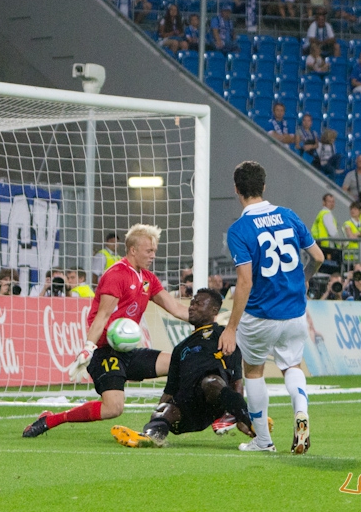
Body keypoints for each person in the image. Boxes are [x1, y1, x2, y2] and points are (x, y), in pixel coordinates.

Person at [22, 224, 189, 438]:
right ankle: (51, 419)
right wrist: (88, 349)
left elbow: (175, 308)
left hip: (127, 352)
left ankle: (158, 422)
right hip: (105, 352)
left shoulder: (147, 278)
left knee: (180, 362)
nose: (153, 255)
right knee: (113, 408)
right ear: (133, 250)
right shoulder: (116, 275)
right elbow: (101, 317)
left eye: (154, 251)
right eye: (149, 251)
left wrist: (211, 322)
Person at [220, 161, 325, 453]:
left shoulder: (240, 229)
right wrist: (304, 278)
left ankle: (263, 441)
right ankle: (301, 412)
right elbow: (317, 256)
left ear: (237, 190)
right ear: (264, 186)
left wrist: (231, 327)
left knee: (253, 372)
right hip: (294, 311)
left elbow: (244, 282)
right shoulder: (288, 216)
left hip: (260, 314)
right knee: (292, 365)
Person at [110, 288, 255, 448]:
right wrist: (159, 413)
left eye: (198, 304)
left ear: (214, 310)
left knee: (211, 381)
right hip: (189, 407)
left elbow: (236, 380)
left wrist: (239, 415)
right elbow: (170, 390)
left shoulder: (223, 335)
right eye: (192, 303)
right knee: (166, 409)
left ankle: (251, 422)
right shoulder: (181, 348)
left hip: (214, 402)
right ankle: (150, 437)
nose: (192, 307)